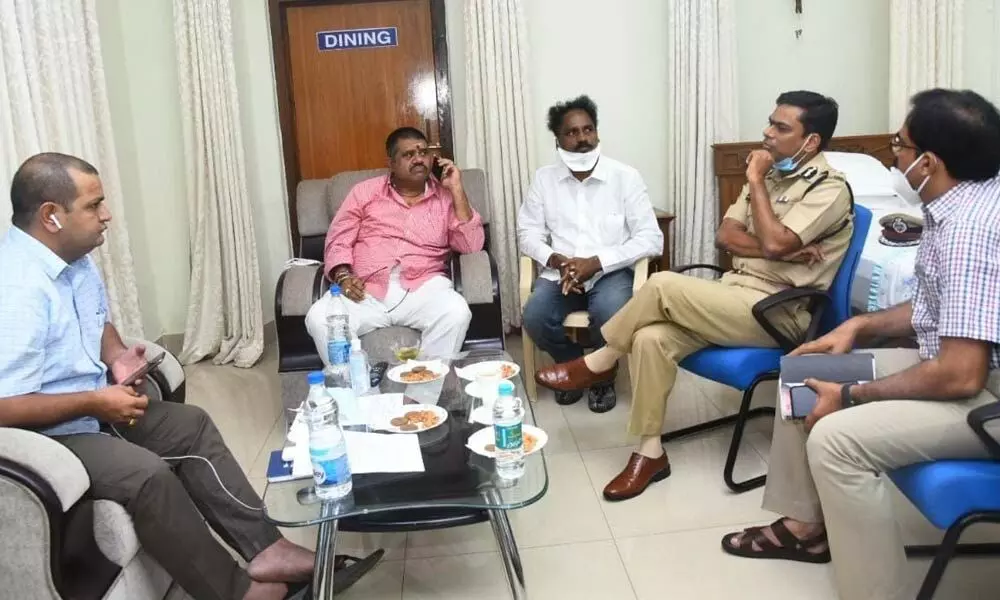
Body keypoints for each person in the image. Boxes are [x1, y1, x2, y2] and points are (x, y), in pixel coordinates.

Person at [0, 153, 379, 600]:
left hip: (91, 408)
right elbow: (6, 406)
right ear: (51, 216)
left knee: (190, 424)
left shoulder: (73, 259)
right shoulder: (17, 287)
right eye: (93, 205)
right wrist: (94, 402)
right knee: (145, 474)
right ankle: (237, 591)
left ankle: (266, 548)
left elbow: (94, 321)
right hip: (49, 436)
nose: (106, 216)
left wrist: (118, 356)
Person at [722, 89, 1000, 600]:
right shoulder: (957, 205)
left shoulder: (969, 231)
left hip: (985, 397)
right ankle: (806, 529)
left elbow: (963, 375)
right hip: (956, 361)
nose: (893, 154)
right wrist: (859, 326)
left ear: (928, 162)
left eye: (899, 144)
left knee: (835, 439)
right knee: (801, 376)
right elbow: (939, 311)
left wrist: (847, 397)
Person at [535, 91, 854, 501]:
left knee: (663, 283)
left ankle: (601, 359)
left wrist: (757, 190)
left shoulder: (827, 189)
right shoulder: (773, 177)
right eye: (770, 122)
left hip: (779, 311)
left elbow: (771, 242)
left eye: (780, 127)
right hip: (735, 295)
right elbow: (726, 237)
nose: (766, 132)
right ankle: (649, 453)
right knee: (651, 338)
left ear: (810, 141)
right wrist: (780, 244)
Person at [518, 95, 663, 413]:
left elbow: (652, 239)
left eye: (588, 130)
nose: (582, 138)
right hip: (561, 273)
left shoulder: (625, 177)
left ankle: (600, 378)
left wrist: (596, 263)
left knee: (612, 313)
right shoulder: (544, 179)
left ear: (596, 133)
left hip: (610, 273)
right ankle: (572, 367)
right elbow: (527, 233)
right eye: (572, 132)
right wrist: (556, 260)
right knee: (535, 317)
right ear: (557, 139)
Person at [305, 127, 484, 362]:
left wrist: (457, 189)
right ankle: (361, 394)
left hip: (423, 288)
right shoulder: (364, 193)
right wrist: (343, 277)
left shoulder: (446, 196)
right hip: (366, 289)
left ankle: (421, 394)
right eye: (408, 155)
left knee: (456, 312)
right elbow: (338, 240)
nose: (419, 159)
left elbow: (471, 245)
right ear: (391, 162)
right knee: (319, 318)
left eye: (423, 152)